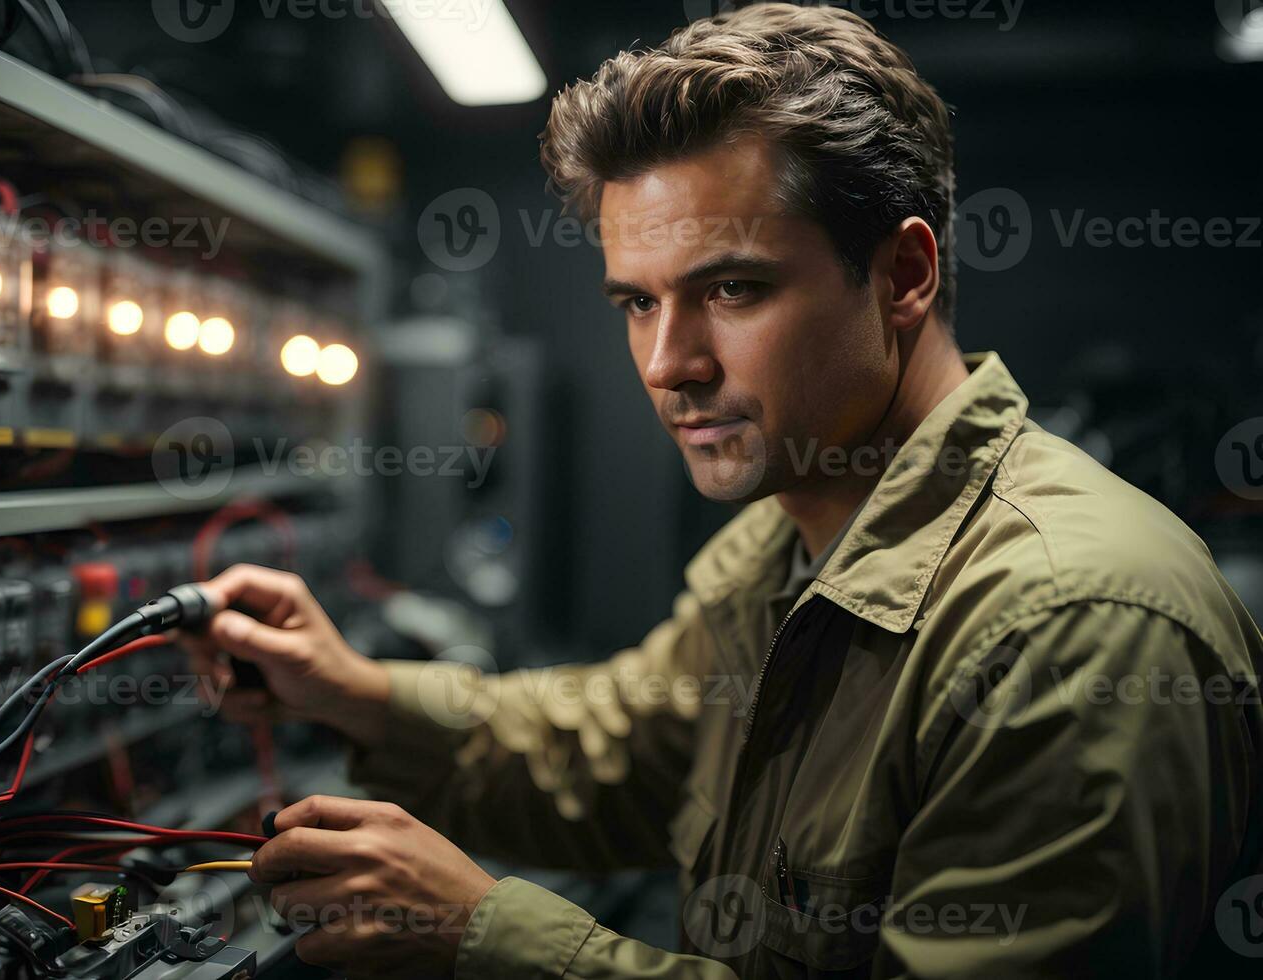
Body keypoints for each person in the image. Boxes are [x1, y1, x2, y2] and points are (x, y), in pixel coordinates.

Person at [180, 5, 1263, 977]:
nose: (666, 362)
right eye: (635, 303)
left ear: (903, 274)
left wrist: (491, 938)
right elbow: (607, 750)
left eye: (731, 289)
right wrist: (351, 690)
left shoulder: (1070, 625)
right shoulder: (789, 537)